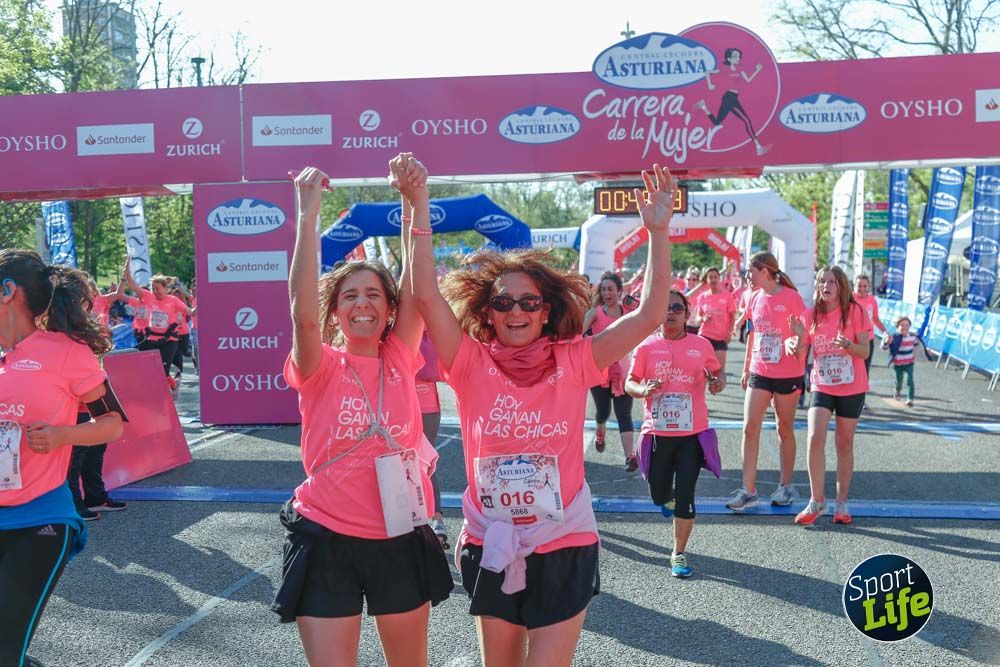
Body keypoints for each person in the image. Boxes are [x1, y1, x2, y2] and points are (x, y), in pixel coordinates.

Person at [409, 152, 675, 666]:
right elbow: (425, 295)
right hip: (492, 538)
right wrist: (417, 201)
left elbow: (650, 315)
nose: (516, 312)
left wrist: (658, 232)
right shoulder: (468, 362)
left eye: (529, 303)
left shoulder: (576, 360)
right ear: (488, 312)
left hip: (564, 537)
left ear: (546, 311)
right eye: (504, 303)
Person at [271, 165, 451, 667]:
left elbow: (419, 288)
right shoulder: (320, 365)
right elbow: (300, 313)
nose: (362, 303)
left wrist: (416, 202)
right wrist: (308, 213)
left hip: (400, 535)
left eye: (373, 294)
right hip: (326, 536)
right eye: (349, 296)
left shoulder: (399, 356)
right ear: (336, 313)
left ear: (389, 310)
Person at [0, 250, 124, 667]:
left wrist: (63, 435)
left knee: (4, 645)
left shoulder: (66, 352)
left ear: (7, 291)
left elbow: (113, 422)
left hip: (38, 520)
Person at [627, 290, 725, 578]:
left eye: (677, 308)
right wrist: (643, 390)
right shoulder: (645, 347)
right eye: (666, 308)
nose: (671, 313)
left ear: (687, 313)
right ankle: (665, 499)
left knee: (686, 494)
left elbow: (717, 376)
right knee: (658, 493)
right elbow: (630, 383)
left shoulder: (702, 345)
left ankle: (678, 552)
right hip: (657, 433)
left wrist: (717, 384)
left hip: (691, 435)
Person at [786, 266, 871, 526]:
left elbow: (865, 351)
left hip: (852, 385)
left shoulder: (856, 312)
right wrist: (795, 342)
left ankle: (841, 502)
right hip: (822, 384)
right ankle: (816, 499)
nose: (826, 285)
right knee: (814, 438)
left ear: (841, 285)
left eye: (831, 281)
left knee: (843, 443)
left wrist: (848, 346)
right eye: (821, 281)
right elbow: (801, 352)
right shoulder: (810, 314)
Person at [726, 252, 806, 511]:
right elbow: (752, 333)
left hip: (787, 373)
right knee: (750, 427)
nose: (748, 276)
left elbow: (804, 334)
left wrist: (796, 343)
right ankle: (748, 490)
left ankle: (785, 485)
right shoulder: (753, 297)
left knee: (784, 428)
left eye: (751, 271)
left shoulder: (792, 298)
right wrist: (747, 367)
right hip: (760, 370)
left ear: (764, 271)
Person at [581, 272, 637, 471]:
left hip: (622, 371)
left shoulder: (628, 311)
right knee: (603, 412)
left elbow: (647, 315)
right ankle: (600, 430)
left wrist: (633, 301)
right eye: (603, 289)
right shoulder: (595, 313)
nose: (606, 293)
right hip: (599, 371)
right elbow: (579, 335)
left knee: (624, 414)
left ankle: (630, 457)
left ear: (619, 291)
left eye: (610, 289)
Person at [122, 265, 191, 386]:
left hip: (169, 341)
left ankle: (170, 385)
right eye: (153, 288)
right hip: (151, 339)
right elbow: (132, 286)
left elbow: (191, 312)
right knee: (133, 356)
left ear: (165, 288)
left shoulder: (173, 300)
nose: (155, 291)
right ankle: (158, 385)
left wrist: (204, 300)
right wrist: (127, 271)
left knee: (163, 371)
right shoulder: (149, 297)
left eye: (157, 288)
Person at [694, 47, 768, 155]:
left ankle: (703, 107)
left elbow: (748, 80)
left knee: (717, 122)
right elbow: (708, 72)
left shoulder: (740, 70)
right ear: (728, 58)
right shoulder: (724, 69)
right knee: (747, 121)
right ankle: (758, 147)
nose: (738, 58)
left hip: (733, 98)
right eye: (735, 56)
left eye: (738, 56)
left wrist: (757, 70)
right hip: (729, 98)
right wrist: (710, 85)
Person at [417, 329, 449, 547]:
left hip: (425, 402)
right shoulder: (386, 322)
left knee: (425, 460)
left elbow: (434, 366)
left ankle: (437, 518)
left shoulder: (423, 323)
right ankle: (411, 524)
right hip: (394, 401)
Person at [692, 267, 737, 372]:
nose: (713, 280)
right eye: (710, 277)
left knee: (719, 371)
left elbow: (732, 317)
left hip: (721, 338)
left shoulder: (727, 296)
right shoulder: (702, 297)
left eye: (715, 277)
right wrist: (703, 318)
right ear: (707, 280)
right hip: (705, 336)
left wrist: (729, 333)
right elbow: (697, 318)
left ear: (719, 278)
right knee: (702, 371)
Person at [852, 275, 887, 410]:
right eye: (859, 285)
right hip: (853, 340)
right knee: (851, 370)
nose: (862, 288)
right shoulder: (851, 299)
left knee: (864, 372)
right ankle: (846, 399)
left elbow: (875, 318)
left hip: (868, 340)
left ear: (869, 287)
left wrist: (885, 331)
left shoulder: (872, 300)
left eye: (865, 286)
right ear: (854, 286)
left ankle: (861, 401)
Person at [882, 316, 922, 407]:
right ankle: (897, 390)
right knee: (899, 381)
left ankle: (910, 399)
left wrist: (926, 351)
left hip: (909, 363)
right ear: (897, 327)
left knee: (909, 380)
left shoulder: (912, 337)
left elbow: (919, 345)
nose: (905, 327)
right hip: (897, 364)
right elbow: (884, 348)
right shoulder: (893, 337)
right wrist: (886, 342)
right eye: (902, 325)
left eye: (907, 325)